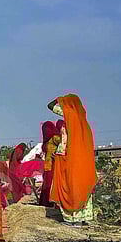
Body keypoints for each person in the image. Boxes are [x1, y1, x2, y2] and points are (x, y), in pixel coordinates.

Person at [47, 95, 97, 225]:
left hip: (69, 159)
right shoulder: (84, 123)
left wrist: (59, 98)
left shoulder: (70, 116)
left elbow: (50, 106)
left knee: (70, 185)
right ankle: (84, 218)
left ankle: (73, 219)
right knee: (81, 184)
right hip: (81, 160)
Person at [39, 121, 59, 206]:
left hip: (53, 165)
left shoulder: (55, 138)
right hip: (49, 166)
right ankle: (48, 201)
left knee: (50, 183)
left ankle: (51, 201)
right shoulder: (48, 141)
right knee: (48, 183)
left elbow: (65, 145)